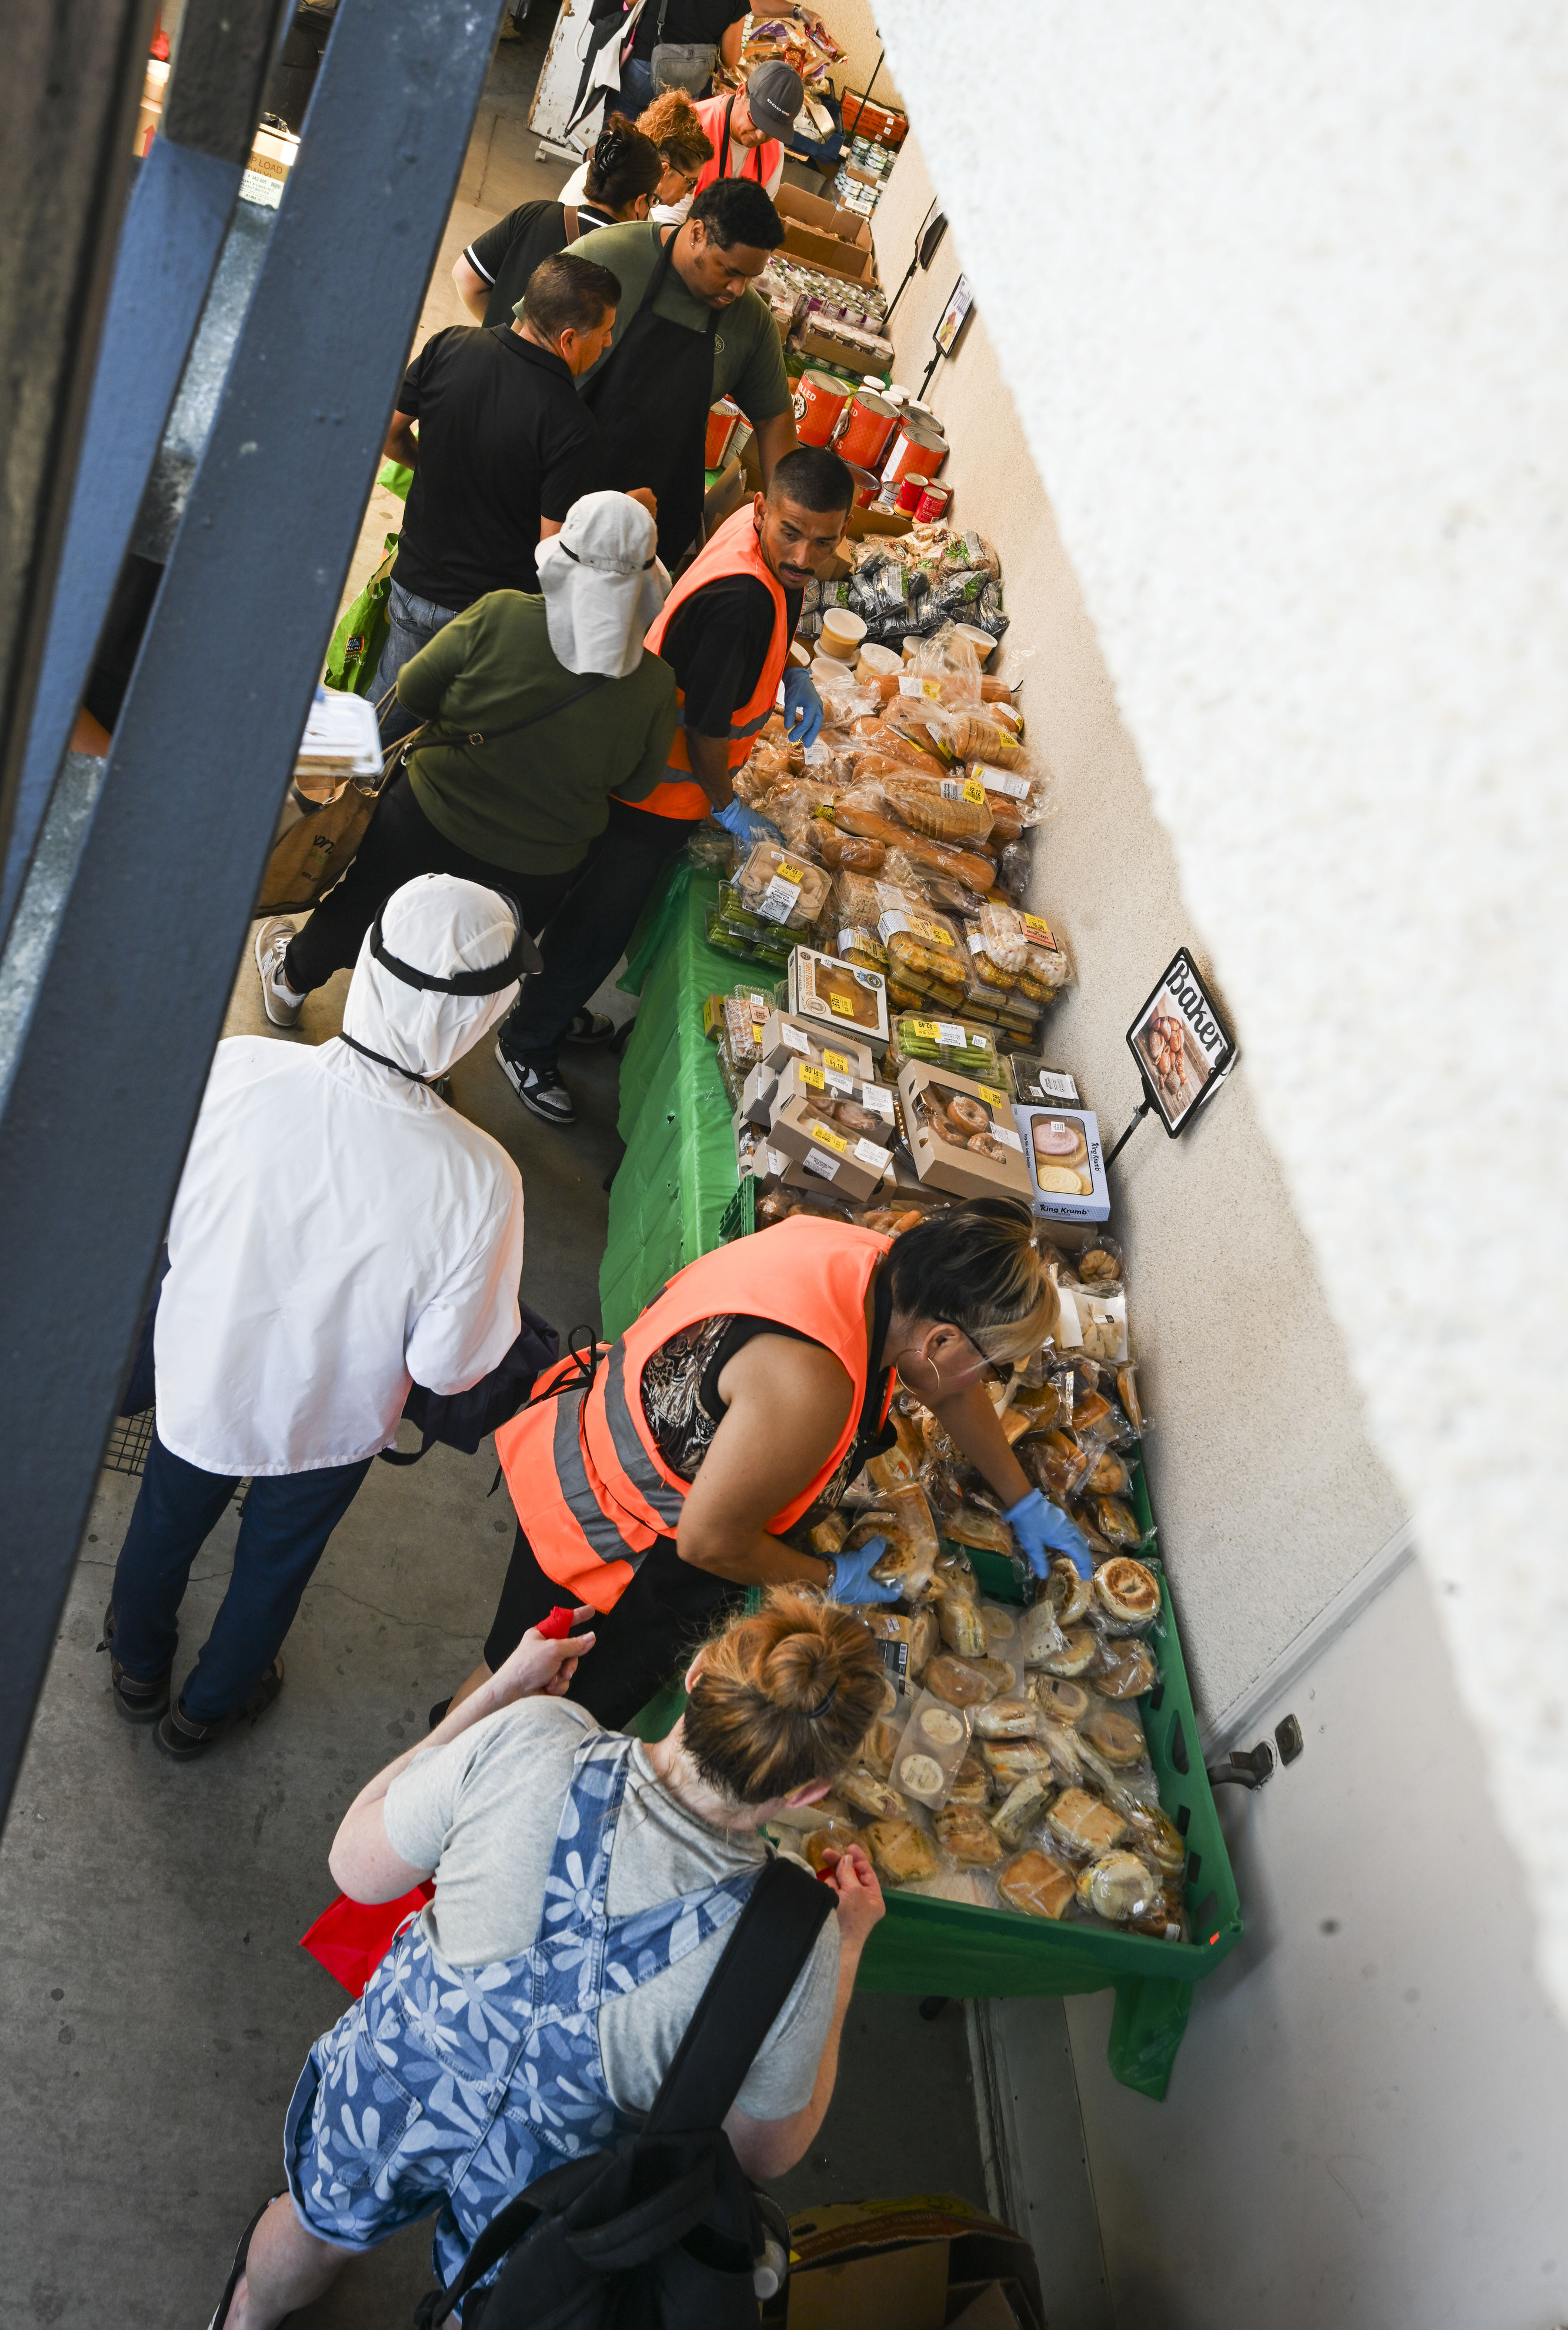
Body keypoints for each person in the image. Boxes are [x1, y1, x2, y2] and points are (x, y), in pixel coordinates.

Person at [203, 1590, 886, 2330]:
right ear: (806, 1791)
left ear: (695, 1677)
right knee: (497, 2299)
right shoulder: (791, 1935)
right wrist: (848, 1945)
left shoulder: (536, 1738)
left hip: (401, 2070)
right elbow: (764, 2152)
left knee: (317, 2222)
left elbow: (356, 1867)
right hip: (550, 2173)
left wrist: (496, 1696)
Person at [105, 878, 532, 1762]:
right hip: (332, 1423)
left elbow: (162, 1218)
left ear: (367, 963)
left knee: (164, 1521)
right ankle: (207, 1712)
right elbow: (450, 1367)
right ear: (484, 1016)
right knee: (275, 1564)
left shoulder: (237, 1066)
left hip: (202, 1376)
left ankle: (138, 1669)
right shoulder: (481, 1178)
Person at [468, 1201, 1096, 1732]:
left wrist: (1020, 1499)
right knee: (521, 1709)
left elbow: (951, 1389)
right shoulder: (811, 1383)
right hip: (611, 1548)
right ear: (939, 1341)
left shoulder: (877, 1261)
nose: (988, 1383)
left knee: (512, 1677)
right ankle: (423, 1830)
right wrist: (828, 1575)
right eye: (993, 1365)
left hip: (595, 1443)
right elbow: (709, 1541)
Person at [495, 443, 850, 1124]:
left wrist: (789, 668)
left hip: (639, 758)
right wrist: (728, 805)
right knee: (597, 924)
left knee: (588, 914)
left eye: (823, 541)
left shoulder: (754, 543)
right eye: (792, 533)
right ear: (763, 509)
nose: (803, 557)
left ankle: (546, 1008)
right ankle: (525, 1042)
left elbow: (777, 601)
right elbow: (707, 730)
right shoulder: (742, 600)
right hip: (652, 789)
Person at [253, 493, 676, 1030]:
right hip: (539, 869)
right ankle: (427, 1051)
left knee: (362, 904)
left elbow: (413, 688)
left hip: (426, 820)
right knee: (472, 963)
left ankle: (290, 982)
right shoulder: (656, 685)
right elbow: (636, 786)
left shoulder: (501, 613)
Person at [365, 251, 623, 742]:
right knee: (446, 740)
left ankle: (330, 802)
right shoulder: (571, 425)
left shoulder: (449, 345)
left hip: (414, 582)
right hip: (485, 619)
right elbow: (552, 556)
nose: (609, 342)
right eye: (605, 332)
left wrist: (441, 464)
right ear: (569, 340)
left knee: (383, 714)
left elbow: (389, 436)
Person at [534, 176, 799, 572]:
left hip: (650, 526)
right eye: (729, 271)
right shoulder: (609, 257)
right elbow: (525, 360)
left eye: (750, 277)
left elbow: (774, 419)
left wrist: (788, 519)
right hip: (554, 502)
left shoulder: (750, 323)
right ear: (696, 233)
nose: (738, 290)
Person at [452, 114, 665, 329]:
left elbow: (466, 277)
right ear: (639, 202)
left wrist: (502, 334)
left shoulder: (534, 214)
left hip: (493, 354)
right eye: (653, 200)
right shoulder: (638, 263)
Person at [556, 87, 715, 228]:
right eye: (691, 182)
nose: (691, 192)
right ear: (664, 170)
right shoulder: (624, 203)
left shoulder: (612, 173)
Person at [690, 61, 803, 201]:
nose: (760, 136)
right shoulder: (693, 128)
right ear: (741, 93)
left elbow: (762, 213)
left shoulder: (775, 149)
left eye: (771, 130)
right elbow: (670, 219)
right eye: (756, 121)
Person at [617, 0, 748, 116]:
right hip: (689, 81)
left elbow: (631, 2)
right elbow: (730, 59)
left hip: (644, 64)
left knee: (616, 135)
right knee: (662, 140)